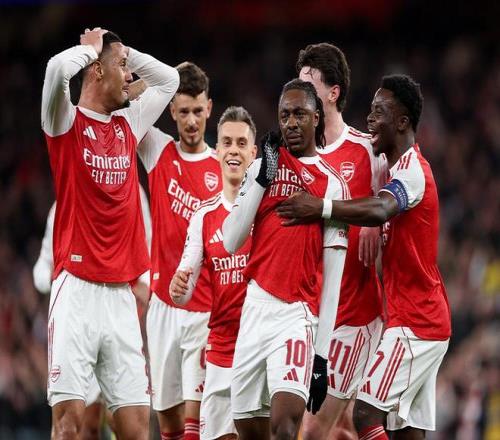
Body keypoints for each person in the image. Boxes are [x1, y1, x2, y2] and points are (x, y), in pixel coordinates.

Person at [276, 74, 451, 440]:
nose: (370, 118)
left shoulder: (412, 171)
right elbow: (379, 207)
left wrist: (321, 207)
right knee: (407, 431)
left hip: (416, 323)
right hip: (417, 318)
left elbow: (380, 208)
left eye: (379, 112)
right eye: (370, 110)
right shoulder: (394, 171)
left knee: (366, 413)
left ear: (402, 122)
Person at [41, 27, 179, 440]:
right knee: (69, 426)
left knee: (136, 429)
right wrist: (89, 51)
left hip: (121, 297)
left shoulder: (128, 123)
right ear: (97, 71)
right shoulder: (64, 121)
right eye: (122, 66)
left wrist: (125, 53)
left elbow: (168, 80)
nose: (131, 75)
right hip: (76, 293)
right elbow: (55, 70)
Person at [223, 79, 350, 440]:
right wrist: (262, 178)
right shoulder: (261, 169)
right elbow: (231, 240)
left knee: (285, 427)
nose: (291, 123)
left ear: (316, 117)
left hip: (296, 316)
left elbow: (333, 279)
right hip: (254, 310)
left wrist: (321, 357)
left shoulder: (332, 184)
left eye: (299, 114)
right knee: (249, 431)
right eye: (284, 115)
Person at [296, 42, 386, 439]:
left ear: (333, 93)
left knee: (312, 428)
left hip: (353, 314)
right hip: (307, 315)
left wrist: (376, 223)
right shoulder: (293, 157)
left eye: (309, 85)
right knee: (342, 429)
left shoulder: (367, 150)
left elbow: (404, 199)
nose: (300, 95)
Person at [137, 62, 221, 440]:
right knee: (168, 423)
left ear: (210, 108)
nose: (191, 121)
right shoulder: (158, 149)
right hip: (161, 309)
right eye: (183, 111)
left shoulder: (222, 166)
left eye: (198, 111)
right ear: (170, 110)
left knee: (194, 423)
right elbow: (125, 106)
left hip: (204, 310)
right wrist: (163, 79)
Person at [169, 106, 257, 440]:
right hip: (220, 349)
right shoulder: (203, 216)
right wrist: (179, 287)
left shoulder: (266, 211)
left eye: (241, 143)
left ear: (253, 152)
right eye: (227, 143)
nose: (234, 150)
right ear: (217, 150)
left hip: (259, 346)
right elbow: (185, 285)